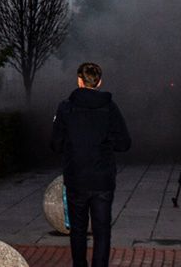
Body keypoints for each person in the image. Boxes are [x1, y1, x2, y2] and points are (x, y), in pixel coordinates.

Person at [51, 62, 132, 267]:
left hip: (76, 178)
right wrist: (104, 142)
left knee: (78, 229)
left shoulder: (65, 108)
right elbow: (124, 143)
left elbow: (55, 144)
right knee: (101, 230)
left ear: (79, 80)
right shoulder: (110, 107)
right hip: (102, 180)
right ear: (99, 81)